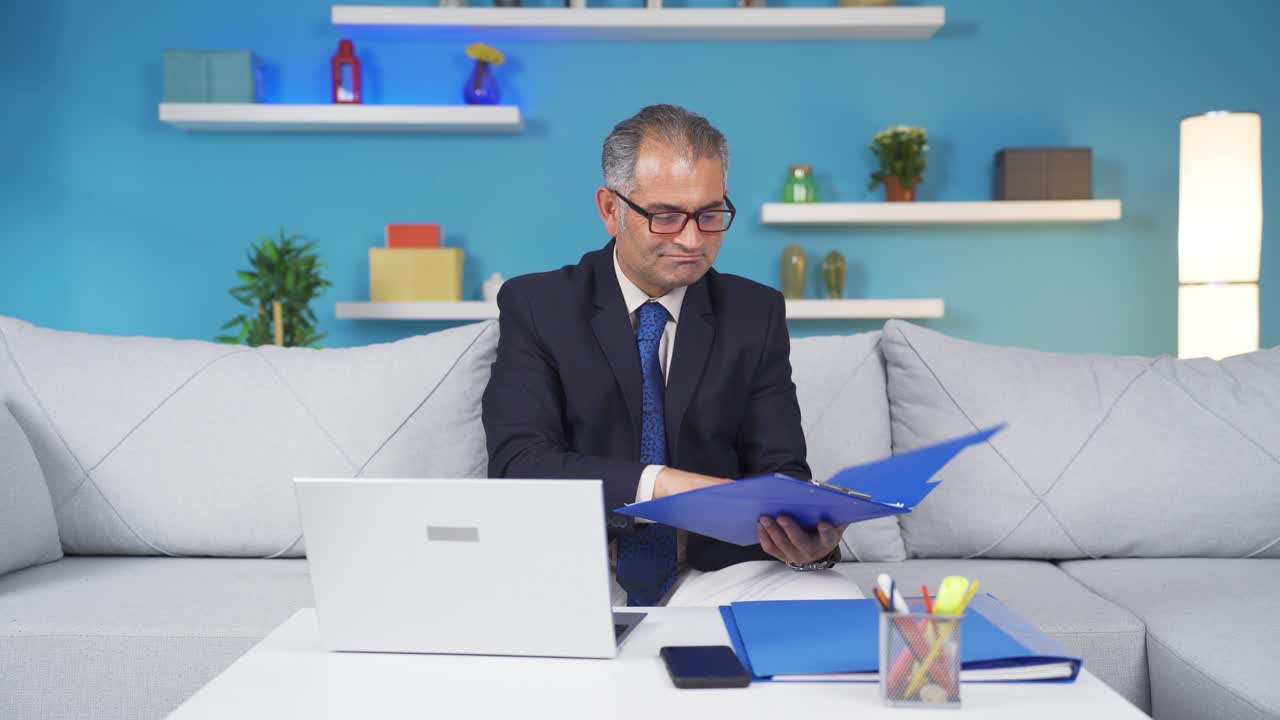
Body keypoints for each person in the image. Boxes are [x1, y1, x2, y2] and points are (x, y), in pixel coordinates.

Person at [482, 104, 853, 607]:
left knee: (835, 600)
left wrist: (805, 538)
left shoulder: (755, 313)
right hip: (574, 567)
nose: (692, 239)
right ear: (611, 210)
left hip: (716, 572)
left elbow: (782, 470)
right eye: (665, 216)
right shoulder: (537, 305)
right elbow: (519, 465)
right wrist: (664, 486)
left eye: (710, 214)